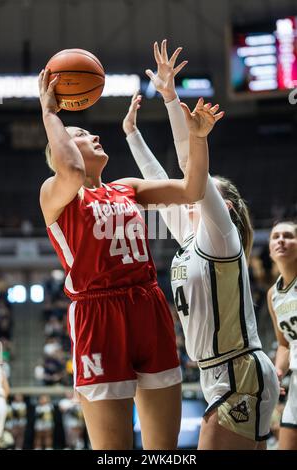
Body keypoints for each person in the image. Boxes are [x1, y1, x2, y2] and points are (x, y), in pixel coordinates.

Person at [38, 43, 209, 450]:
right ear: (59, 151)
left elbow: (192, 189)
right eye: (81, 134)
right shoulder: (56, 194)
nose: (94, 134)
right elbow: (73, 170)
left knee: (163, 452)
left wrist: (198, 139)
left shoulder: (127, 188)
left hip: (148, 306)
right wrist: (50, 113)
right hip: (98, 315)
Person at [124, 39, 279, 449]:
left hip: (239, 373)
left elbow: (188, 165)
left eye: (204, 191)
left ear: (223, 205)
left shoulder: (221, 236)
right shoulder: (190, 237)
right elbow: (160, 180)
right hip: (214, 372)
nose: (190, 192)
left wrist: (172, 100)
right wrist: (132, 135)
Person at [267, 220, 297, 450]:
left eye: (288, 235)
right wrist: (277, 373)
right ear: (269, 249)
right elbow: (284, 343)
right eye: (276, 236)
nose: (281, 240)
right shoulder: (273, 294)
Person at [0, 340, 10, 448]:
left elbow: (7, 389)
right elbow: (7, 389)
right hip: (0, 399)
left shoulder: (0, 369)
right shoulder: (0, 369)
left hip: (0, 399)